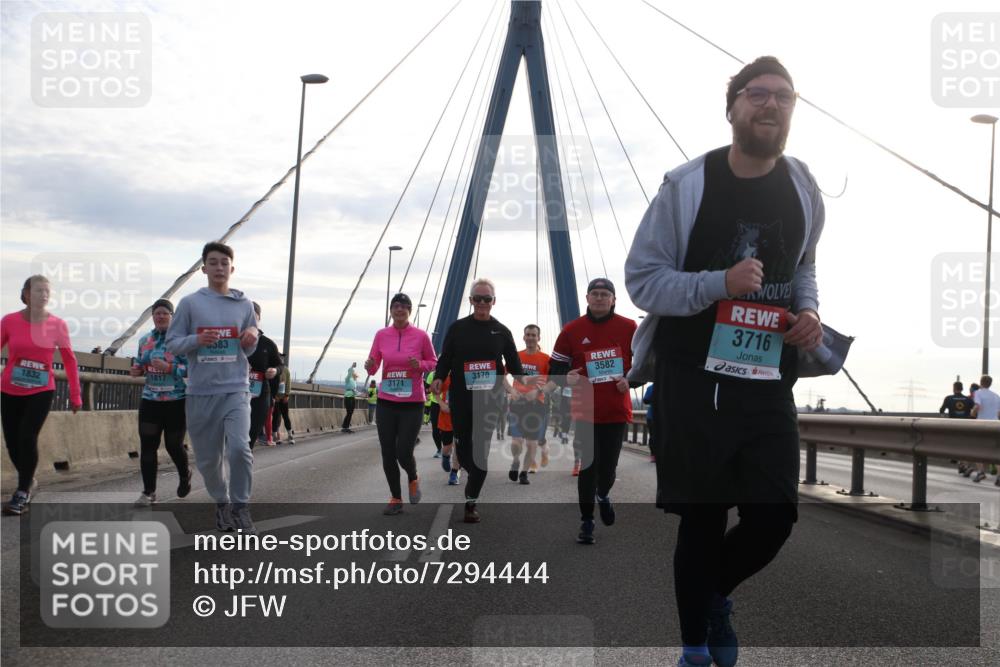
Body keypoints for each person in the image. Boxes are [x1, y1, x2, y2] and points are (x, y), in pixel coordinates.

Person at [625, 57, 826, 667]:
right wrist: (719, 283)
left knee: (774, 519)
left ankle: (714, 597)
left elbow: (805, 264)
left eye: (784, 97)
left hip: (768, 382)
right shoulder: (687, 186)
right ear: (732, 106)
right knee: (703, 522)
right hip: (694, 383)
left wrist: (809, 311)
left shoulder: (802, 185)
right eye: (758, 95)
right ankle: (693, 652)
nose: (771, 106)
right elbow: (643, 280)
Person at [167, 241, 259, 534]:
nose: (219, 267)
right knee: (208, 460)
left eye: (224, 263)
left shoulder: (244, 305)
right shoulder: (190, 304)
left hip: (236, 387)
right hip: (201, 392)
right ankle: (222, 503)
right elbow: (172, 344)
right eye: (213, 262)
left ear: (232, 268)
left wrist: (251, 336)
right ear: (204, 268)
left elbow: (251, 347)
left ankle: (241, 507)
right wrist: (196, 340)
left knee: (239, 449)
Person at [549, 278, 637, 545]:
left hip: (616, 411)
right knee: (588, 467)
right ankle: (586, 521)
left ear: (613, 300)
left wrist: (631, 381)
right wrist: (568, 376)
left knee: (608, 469)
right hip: (585, 412)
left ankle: (603, 495)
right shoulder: (572, 330)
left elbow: (646, 364)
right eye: (595, 294)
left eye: (605, 294)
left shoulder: (629, 327)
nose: (599, 298)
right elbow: (555, 370)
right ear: (587, 298)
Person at [430, 278, 523, 523]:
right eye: (477, 299)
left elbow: (515, 366)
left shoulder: (502, 331)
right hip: (461, 399)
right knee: (466, 450)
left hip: (489, 401)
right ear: (471, 301)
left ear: (494, 302)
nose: (482, 303)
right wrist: (439, 377)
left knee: (480, 454)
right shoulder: (458, 328)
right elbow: (446, 357)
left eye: (487, 299)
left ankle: (471, 502)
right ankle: (468, 469)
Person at [1, 275, 82, 515]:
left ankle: (22, 491)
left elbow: (69, 360)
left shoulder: (57, 325)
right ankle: (29, 480)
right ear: (26, 293)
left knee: (27, 436)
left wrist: (76, 395)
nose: (43, 295)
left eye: (47, 292)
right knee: (12, 441)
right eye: (38, 291)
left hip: (41, 389)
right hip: (9, 388)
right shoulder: (9, 321)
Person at [364, 293, 438, 515]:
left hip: (412, 403)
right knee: (388, 453)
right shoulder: (381, 335)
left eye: (404, 306)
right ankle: (396, 498)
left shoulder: (421, 336)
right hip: (386, 401)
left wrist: (420, 365)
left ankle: (413, 477)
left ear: (410, 311)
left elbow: (433, 362)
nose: (399, 309)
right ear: (390, 310)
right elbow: (373, 367)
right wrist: (369, 365)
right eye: (395, 306)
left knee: (403, 452)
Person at [129, 299, 192, 506]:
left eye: (165, 313)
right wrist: (136, 370)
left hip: (176, 401)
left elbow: (192, 370)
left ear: (172, 317)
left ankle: (185, 474)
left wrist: (169, 368)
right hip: (151, 400)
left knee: (173, 445)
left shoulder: (182, 341)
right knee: (148, 446)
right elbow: (139, 364)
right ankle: (149, 492)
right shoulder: (145, 340)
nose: (161, 316)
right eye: (157, 313)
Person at [507, 324, 551, 485]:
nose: (531, 337)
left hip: (536, 404)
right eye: (528, 335)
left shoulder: (546, 359)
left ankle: (524, 473)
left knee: (532, 442)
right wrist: (510, 390)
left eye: (534, 335)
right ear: (524, 337)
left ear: (538, 338)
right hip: (517, 402)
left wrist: (538, 391)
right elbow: (502, 375)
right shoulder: (515, 356)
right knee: (516, 441)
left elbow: (554, 381)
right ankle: (515, 461)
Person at [246, 302, 281, 449]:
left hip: (260, 394)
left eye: (254, 315)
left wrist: (274, 370)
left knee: (252, 432)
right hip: (236, 393)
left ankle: (245, 460)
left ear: (259, 318)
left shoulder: (267, 344)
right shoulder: (233, 341)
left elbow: (280, 365)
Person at [970, 375, 999, 484]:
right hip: (995, 425)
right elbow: (998, 413)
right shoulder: (996, 396)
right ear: (990, 383)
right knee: (996, 451)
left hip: (982, 425)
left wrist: (972, 413)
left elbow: (977, 406)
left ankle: (981, 472)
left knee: (978, 449)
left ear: (981, 382)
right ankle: (999, 476)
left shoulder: (978, 393)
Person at [435, 375, 461, 485]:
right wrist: (442, 404)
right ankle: (445, 455)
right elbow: (434, 392)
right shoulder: (445, 376)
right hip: (446, 418)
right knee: (447, 447)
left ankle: (454, 473)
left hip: (462, 417)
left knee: (458, 445)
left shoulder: (468, 375)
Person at [272, 358, 295, 444]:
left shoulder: (286, 370)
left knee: (286, 416)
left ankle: (290, 435)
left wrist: (287, 395)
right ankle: (275, 436)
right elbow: (271, 383)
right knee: (275, 416)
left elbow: (288, 383)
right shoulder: (273, 369)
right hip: (276, 398)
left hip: (284, 397)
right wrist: (274, 396)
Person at [342, 362, 359, 433]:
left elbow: (354, 390)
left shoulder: (354, 381)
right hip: (348, 397)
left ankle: (346, 427)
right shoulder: (348, 379)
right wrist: (352, 367)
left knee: (350, 412)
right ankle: (345, 427)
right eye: (353, 372)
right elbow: (349, 372)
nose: (354, 373)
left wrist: (359, 393)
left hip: (352, 397)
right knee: (349, 412)